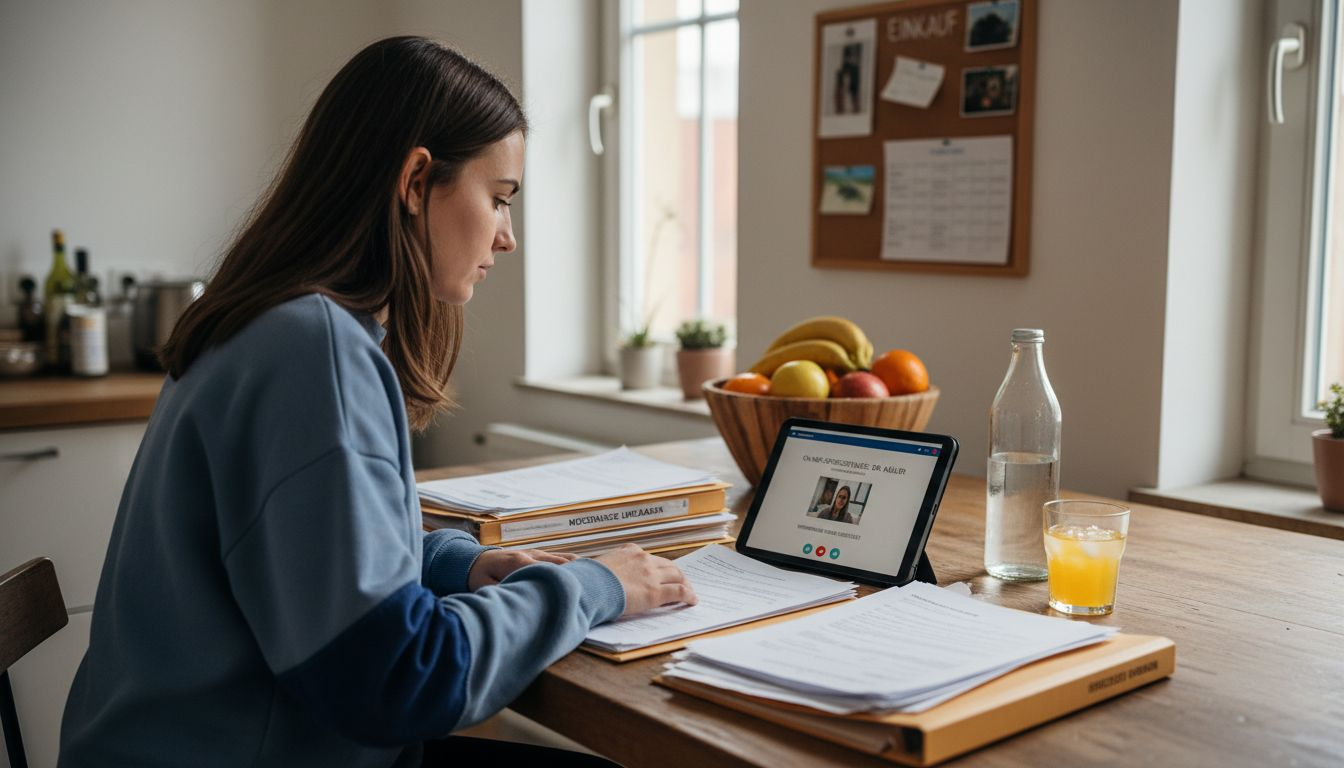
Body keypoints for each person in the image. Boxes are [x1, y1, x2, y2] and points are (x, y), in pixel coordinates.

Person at [58, 36, 695, 768]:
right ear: (417, 181)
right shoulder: (313, 350)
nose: (507, 237)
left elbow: (298, 552)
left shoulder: (260, 321)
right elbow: (395, 677)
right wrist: (592, 586)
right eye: (498, 198)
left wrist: (456, 566)